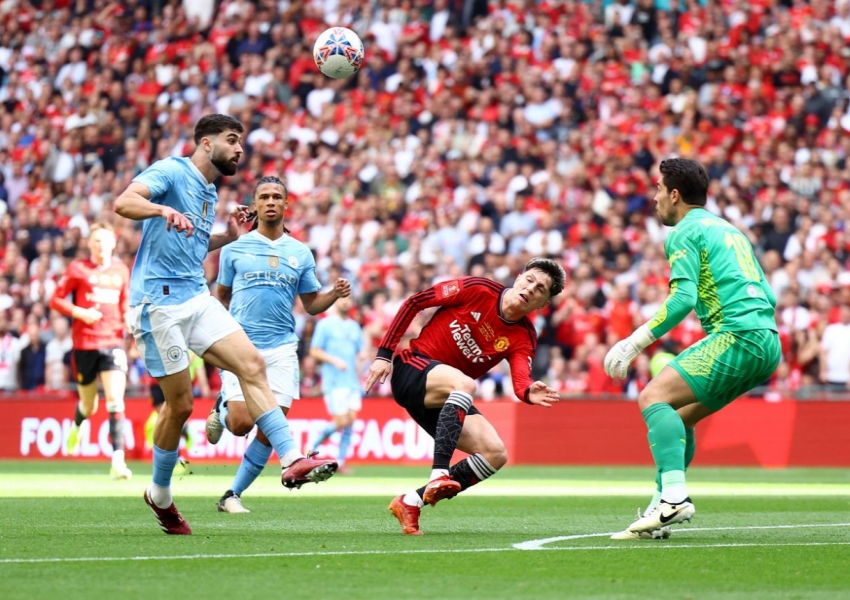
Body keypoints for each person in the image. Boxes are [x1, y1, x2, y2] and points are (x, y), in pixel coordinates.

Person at [114, 114, 337, 535]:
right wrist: (161, 209)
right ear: (205, 143)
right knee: (179, 406)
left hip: (195, 296)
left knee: (251, 365)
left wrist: (226, 239)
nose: (239, 149)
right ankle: (160, 495)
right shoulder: (172, 170)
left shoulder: (209, 191)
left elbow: (192, 243)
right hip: (156, 304)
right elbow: (123, 203)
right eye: (232, 141)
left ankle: (292, 460)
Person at [603, 158, 781, 540]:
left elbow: (682, 298)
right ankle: (660, 509)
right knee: (680, 418)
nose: (653, 199)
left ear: (675, 194)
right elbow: (768, 293)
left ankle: (675, 498)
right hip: (767, 339)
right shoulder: (731, 230)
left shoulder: (684, 230)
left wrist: (634, 342)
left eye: (657, 189)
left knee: (653, 397)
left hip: (737, 334)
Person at [364, 258, 565, 535]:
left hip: (447, 397)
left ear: (543, 304)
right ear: (518, 277)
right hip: (413, 369)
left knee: (495, 453)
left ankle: (411, 502)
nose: (531, 288)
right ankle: (439, 474)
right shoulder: (477, 289)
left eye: (541, 289)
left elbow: (521, 383)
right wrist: (384, 353)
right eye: (530, 280)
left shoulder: (524, 336)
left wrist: (530, 392)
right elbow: (415, 302)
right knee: (467, 385)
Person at [206, 175, 350, 514]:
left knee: (269, 433)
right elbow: (221, 296)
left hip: (283, 347)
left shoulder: (300, 252)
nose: (271, 202)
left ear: (287, 205)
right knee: (241, 423)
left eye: (277, 197)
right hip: (241, 346)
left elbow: (312, 304)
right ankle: (222, 406)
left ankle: (231, 495)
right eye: (264, 197)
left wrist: (334, 293)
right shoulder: (235, 248)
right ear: (255, 205)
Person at [50, 223, 133, 480]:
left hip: (111, 342)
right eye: (95, 241)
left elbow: (124, 303)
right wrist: (80, 312)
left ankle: (117, 462)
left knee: (115, 400)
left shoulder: (121, 270)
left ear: (113, 243)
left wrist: (128, 319)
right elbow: (56, 299)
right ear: (89, 244)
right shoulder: (78, 269)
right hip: (84, 344)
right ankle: (77, 425)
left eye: (104, 240)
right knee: (89, 405)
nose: (100, 245)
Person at [307, 294, 365, 475]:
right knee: (341, 421)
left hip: (352, 383)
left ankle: (340, 461)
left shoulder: (355, 327)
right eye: (342, 298)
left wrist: (361, 371)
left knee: (349, 423)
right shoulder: (325, 324)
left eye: (349, 298)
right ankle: (310, 447)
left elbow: (359, 354)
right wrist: (334, 360)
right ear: (335, 301)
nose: (346, 301)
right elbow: (314, 351)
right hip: (334, 382)